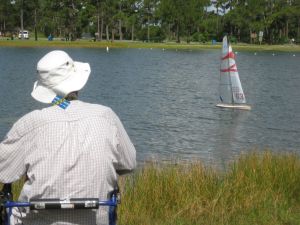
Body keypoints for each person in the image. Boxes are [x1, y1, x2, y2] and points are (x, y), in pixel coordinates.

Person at [0, 50, 136, 225]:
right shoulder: (106, 117)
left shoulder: (29, 123)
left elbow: (3, 171)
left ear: (44, 89)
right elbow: (129, 164)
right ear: (78, 84)